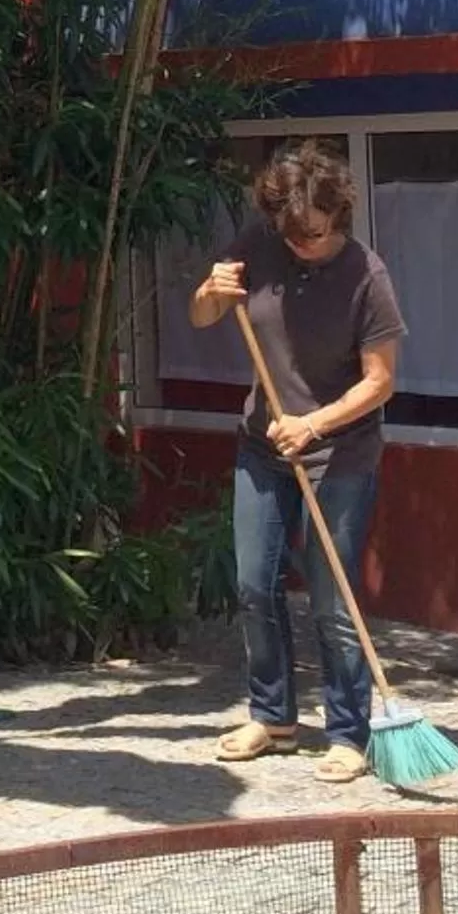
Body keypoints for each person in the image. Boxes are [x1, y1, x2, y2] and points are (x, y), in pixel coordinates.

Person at [190, 142, 404, 783]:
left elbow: (381, 381)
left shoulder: (367, 275)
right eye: (291, 233)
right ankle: (273, 715)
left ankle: (348, 731)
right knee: (255, 585)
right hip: (262, 446)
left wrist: (313, 423)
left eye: (313, 234)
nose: (301, 244)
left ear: (339, 217)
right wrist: (212, 288)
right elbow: (205, 315)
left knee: (333, 600)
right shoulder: (261, 243)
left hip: (339, 451)